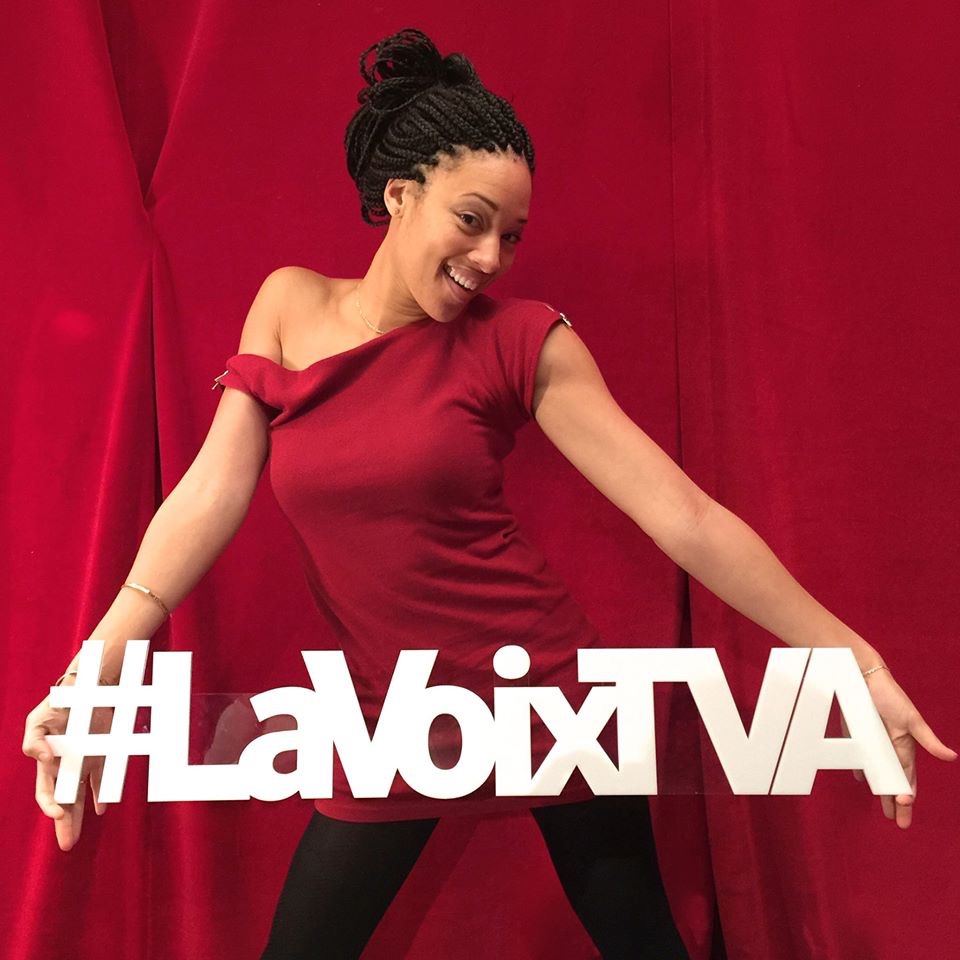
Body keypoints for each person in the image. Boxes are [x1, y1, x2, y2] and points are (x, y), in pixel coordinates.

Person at [22, 26, 956, 960]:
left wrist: (854, 661)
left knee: (643, 943)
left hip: (544, 693)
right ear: (400, 195)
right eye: (471, 219)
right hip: (393, 713)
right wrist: (89, 672)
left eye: (511, 235)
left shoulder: (523, 341)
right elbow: (207, 495)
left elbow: (685, 517)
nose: (491, 256)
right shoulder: (288, 304)